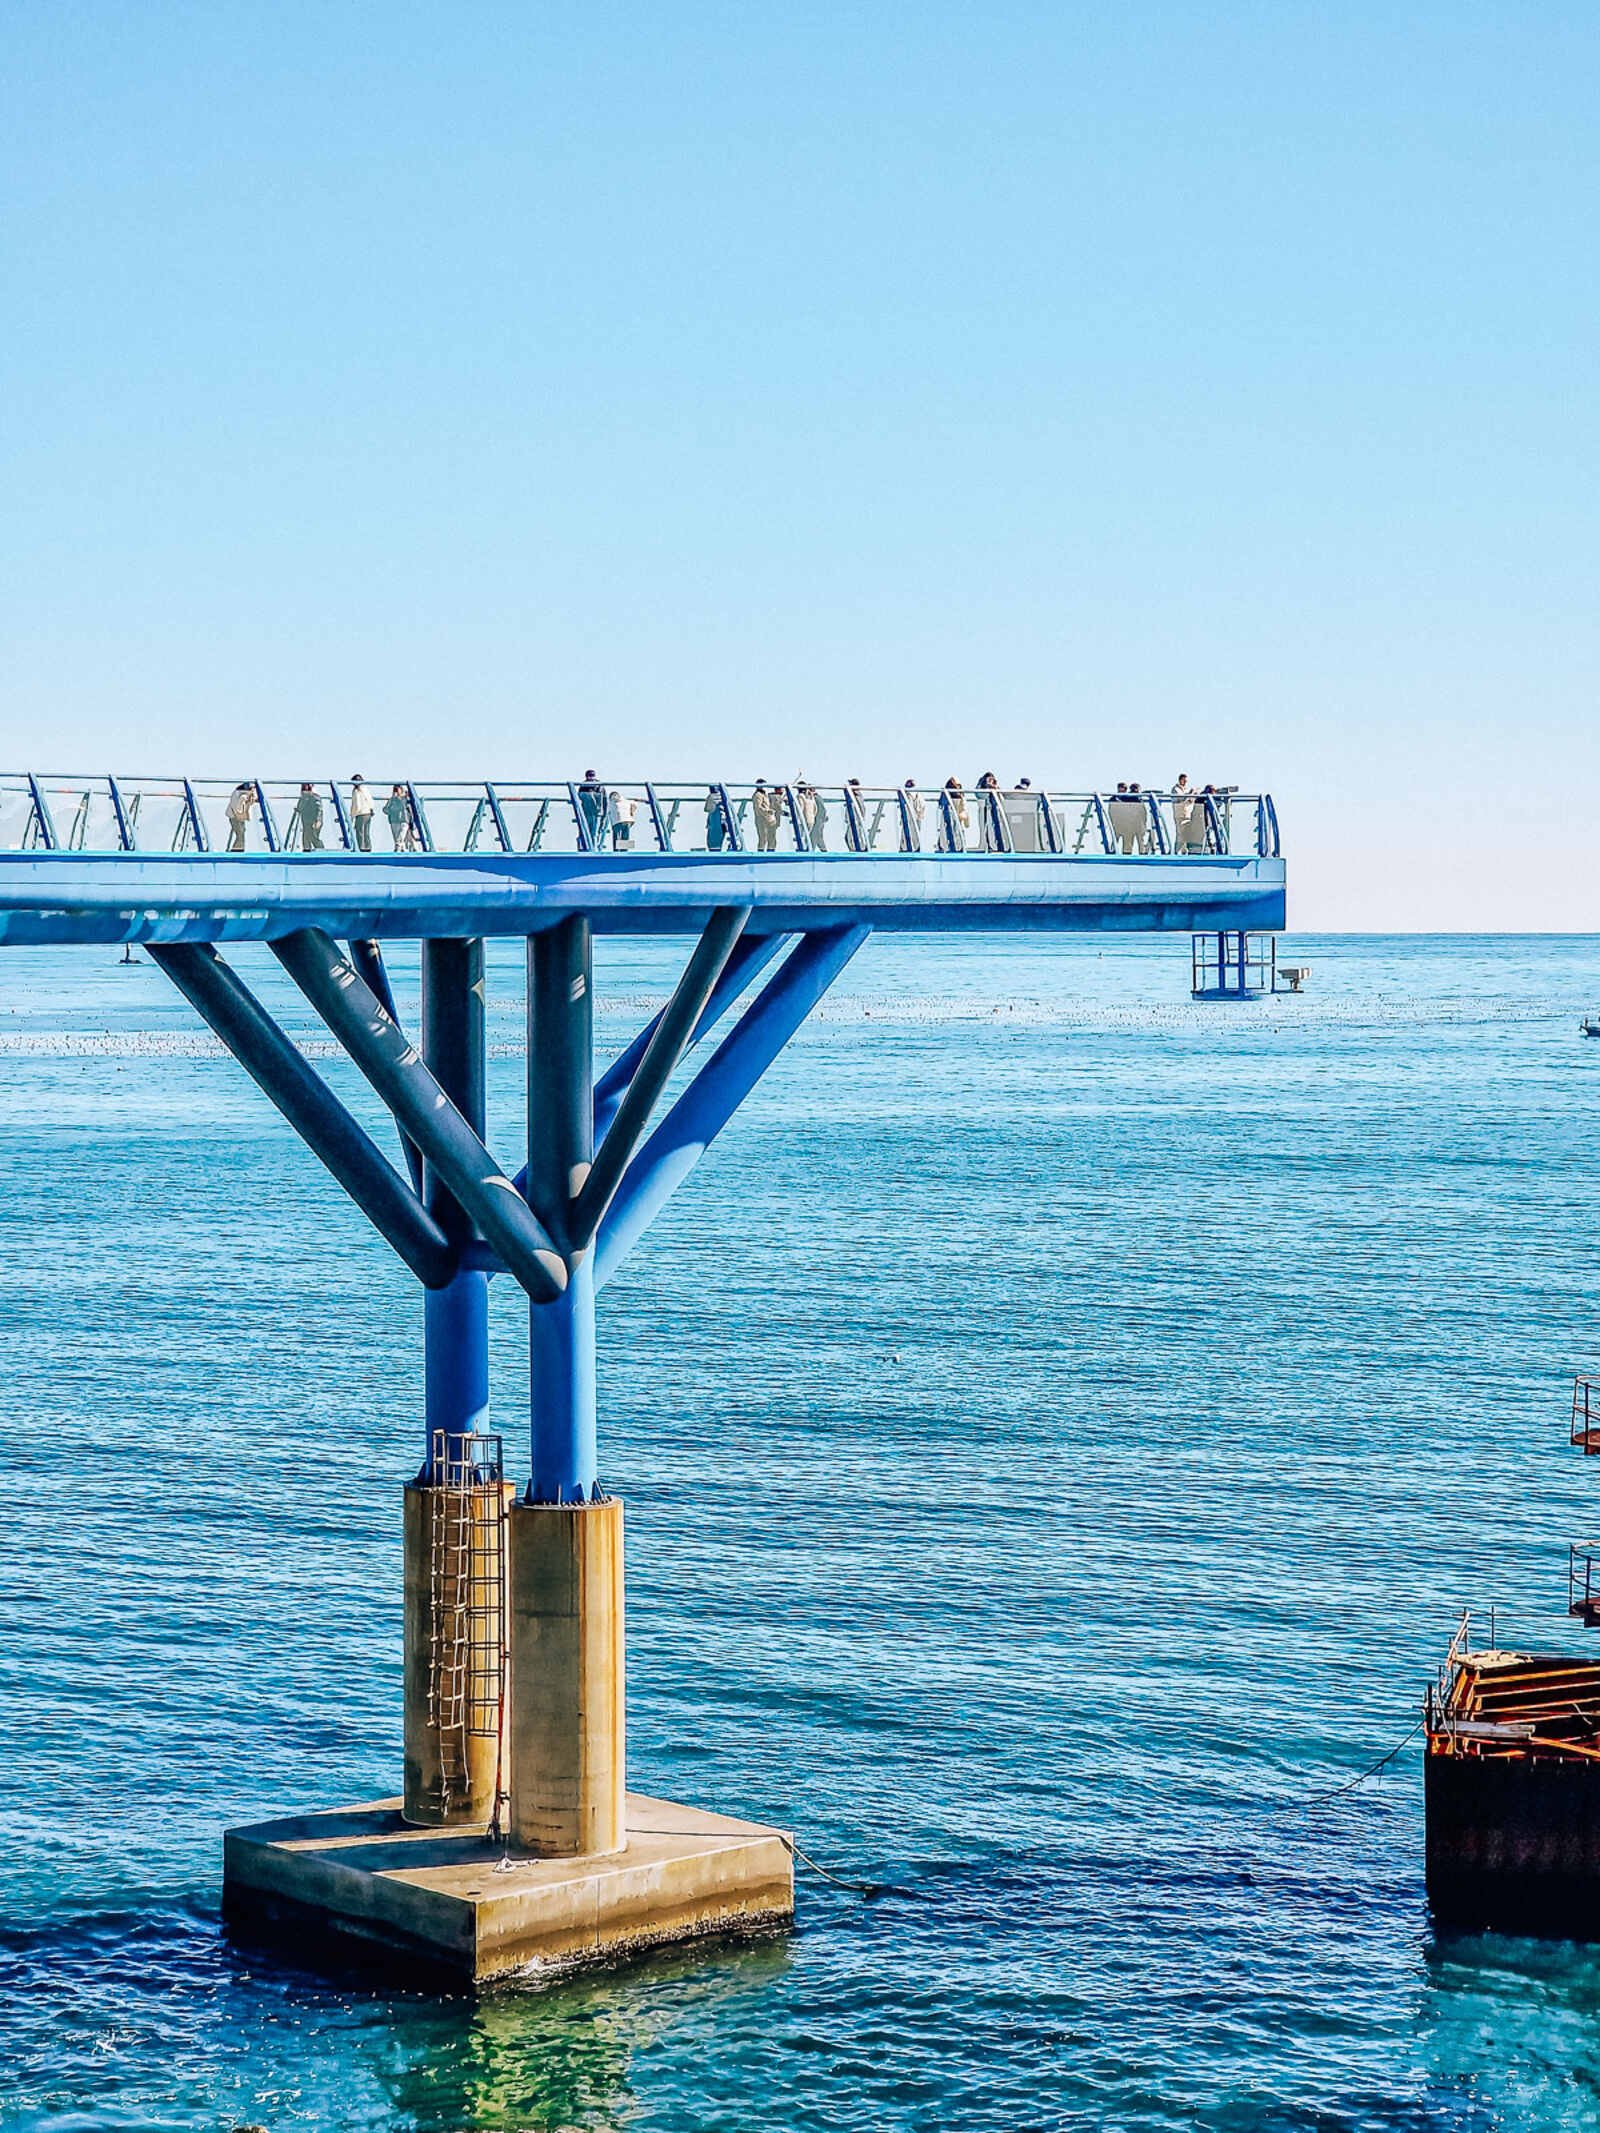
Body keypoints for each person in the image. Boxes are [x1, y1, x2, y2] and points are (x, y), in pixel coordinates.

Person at [976, 770, 1006, 852]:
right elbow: (979, 795)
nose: (990, 781)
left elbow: (1002, 799)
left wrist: (995, 787)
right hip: (985, 810)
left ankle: (998, 846)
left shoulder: (996, 787)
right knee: (985, 829)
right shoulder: (981, 787)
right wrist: (985, 786)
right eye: (988, 779)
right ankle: (987, 846)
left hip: (995, 811)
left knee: (997, 828)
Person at [576, 770, 606, 848]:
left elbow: (605, 800)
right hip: (586, 812)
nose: (591, 778)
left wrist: (604, 814)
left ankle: (593, 849)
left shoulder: (600, 786)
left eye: (592, 775)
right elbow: (579, 798)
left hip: (596, 813)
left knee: (594, 833)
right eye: (589, 776)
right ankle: (584, 848)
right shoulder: (583, 786)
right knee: (584, 832)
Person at [292, 782, 325, 851]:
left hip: (313, 821)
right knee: (306, 836)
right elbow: (300, 806)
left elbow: (319, 809)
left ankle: (320, 849)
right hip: (306, 820)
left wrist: (318, 820)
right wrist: (298, 809)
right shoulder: (304, 796)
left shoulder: (315, 796)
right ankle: (307, 849)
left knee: (313, 836)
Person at [939, 776, 969, 852]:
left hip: (954, 822)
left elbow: (965, 814)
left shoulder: (946, 796)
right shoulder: (946, 798)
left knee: (951, 833)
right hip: (952, 821)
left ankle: (946, 845)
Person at [224, 780, 256, 853]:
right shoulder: (242, 797)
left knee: (241, 833)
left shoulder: (240, 795)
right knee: (240, 834)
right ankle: (236, 851)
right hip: (235, 817)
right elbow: (238, 810)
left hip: (237, 816)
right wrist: (248, 805)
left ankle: (238, 849)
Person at [751, 779, 780, 852]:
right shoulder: (757, 795)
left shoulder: (765, 794)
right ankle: (761, 854)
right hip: (761, 820)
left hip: (769, 819)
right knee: (763, 838)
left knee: (772, 838)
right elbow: (758, 808)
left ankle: (771, 853)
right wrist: (767, 811)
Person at [385, 782, 415, 851]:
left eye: (397, 789)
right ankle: (402, 849)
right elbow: (385, 809)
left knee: (401, 836)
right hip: (394, 820)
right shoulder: (392, 799)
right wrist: (392, 811)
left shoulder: (405, 799)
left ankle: (398, 848)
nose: (396, 791)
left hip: (404, 819)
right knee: (397, 837)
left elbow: (406, 806)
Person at [349, 774, 375, 852]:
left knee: (359, 831)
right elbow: (371, 801)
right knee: (366, 831)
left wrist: (352, 815)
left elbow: (357, 804)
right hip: (367, 812)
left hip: (360, 813)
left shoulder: (356, 791)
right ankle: (368, 847)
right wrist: (371, 809)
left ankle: (360, 847)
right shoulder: (366, 789)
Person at [901, 778, 925, 851]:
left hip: (910, 822)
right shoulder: (920, 797)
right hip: (916, 821)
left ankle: (905, 846)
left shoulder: (907, 796)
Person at [704, 784, 728, 851]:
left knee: (713, 843)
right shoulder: (722, 797)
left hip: (716, 823)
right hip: (720, 823)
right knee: (717, 843)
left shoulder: (712, 797)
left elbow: (707, 809)